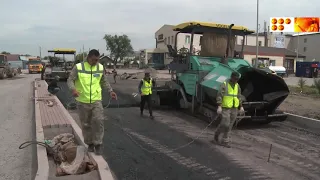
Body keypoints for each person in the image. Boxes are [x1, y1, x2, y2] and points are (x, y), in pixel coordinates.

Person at [67, 49, 117, 155]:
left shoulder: (100, 67)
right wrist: (73, 89)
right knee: (86, 124)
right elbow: (70, 80)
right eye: (94, 60)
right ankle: (90, 144)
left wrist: (111, 91)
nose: (96, 62)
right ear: (89, 58)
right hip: (82, 100)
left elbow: (103, 80)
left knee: (98, 121)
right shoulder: (79, 67)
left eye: (97, 60)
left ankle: (98, 144)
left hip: (96, 99)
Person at [214, 72, 244, 148]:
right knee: (225, 124)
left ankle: (225, 141)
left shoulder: (237, 86)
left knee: (230, 125)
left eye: (237, 79)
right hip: (225, 108)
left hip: (234, 108)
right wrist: (219, 106)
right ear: (231, 77)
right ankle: (217, 134)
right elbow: (219, 95)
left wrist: (241, 106)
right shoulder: (225, 84)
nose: (236, 80)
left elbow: (239, 96)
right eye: (235, 79)